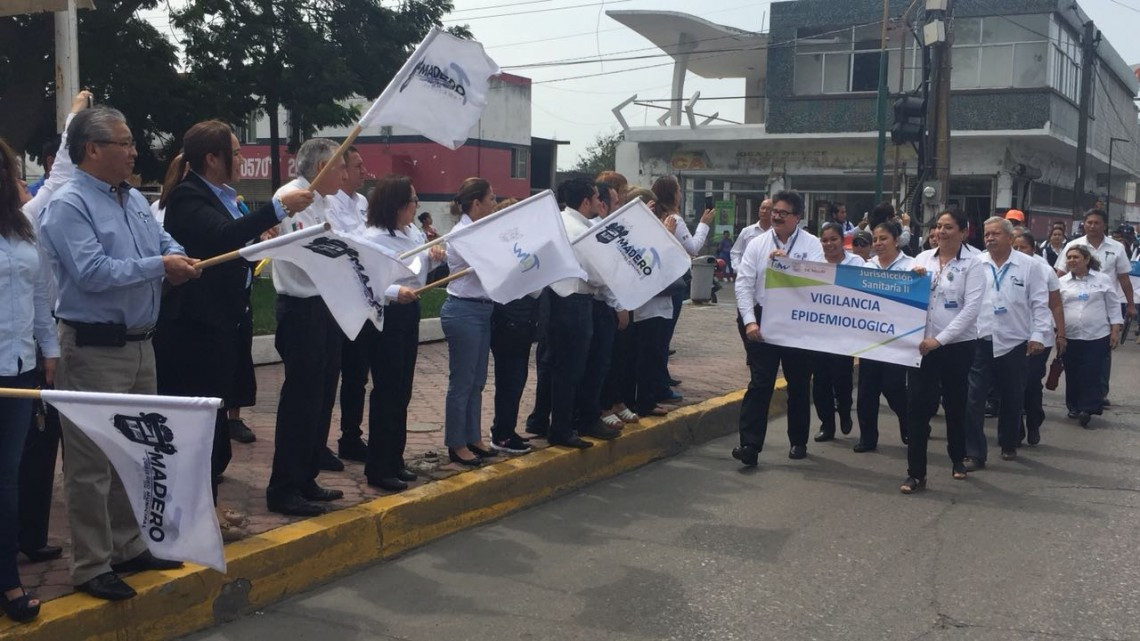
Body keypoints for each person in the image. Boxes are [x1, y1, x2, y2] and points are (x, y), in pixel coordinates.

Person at [39, 106, 199, 601]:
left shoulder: (129, 199)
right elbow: (92, 272)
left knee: (135, 453)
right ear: (92, 149)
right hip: (92, 348)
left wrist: (173, 257)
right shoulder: (69, 204)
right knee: (90, 461)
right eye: (124, 143)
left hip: (139, 344)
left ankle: (129, 546)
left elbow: (162, 238)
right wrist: (159, 265)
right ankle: (91, 564)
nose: (134, 152)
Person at [155, 120, 313, 541]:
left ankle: (207, 506)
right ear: (212, 158)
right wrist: (280, 208)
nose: (242, 159)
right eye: (236, 152)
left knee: (215, 424)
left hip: (225, 322)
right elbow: (223, 240)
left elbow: (239, 248)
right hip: (193, 329)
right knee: (198, 427)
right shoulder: (189, 197)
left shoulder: (224, 197)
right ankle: (193, 514)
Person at [17, 90, 88, 570]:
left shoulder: (26, 222)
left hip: (31, 353)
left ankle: (30, 534)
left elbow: (62, 172)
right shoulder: (28, 218)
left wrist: (75, 120)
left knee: (40, 446)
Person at [265, 138, 348, 516]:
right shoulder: (292, 197)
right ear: (319, 169)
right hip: (301, 308)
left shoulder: (327, 202)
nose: (344, 173)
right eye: (340, 166)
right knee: (300, 400)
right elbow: (306, 254)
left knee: (321, 397)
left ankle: (306, 476)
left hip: (327, 306)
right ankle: (284, 486)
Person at [0, 137, 60, 623]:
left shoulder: (23, 228)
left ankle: (7, 578)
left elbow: (40, 293)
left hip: (20, 366)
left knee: (7, 478)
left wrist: (50, 350)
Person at [359, 174, 442, 490]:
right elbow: (366, 281)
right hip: (387, 315)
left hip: (410, 310)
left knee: (403, 389)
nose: (415, 208)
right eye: (412, 202)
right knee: (388, 390)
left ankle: (395, 457)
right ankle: (379, 467)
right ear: (397, 205)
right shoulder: (372, 238)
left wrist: (434, 258)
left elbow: (417, 272)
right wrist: (395, 292)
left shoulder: (412, 233)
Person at [732, 190, 824, 465]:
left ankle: (798, 440)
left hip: (797, 320)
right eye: (774, 211)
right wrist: (749, 321)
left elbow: (818, 280)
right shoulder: (757, 244)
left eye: (783, 213)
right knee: (761, 383)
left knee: (797, 382)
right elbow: (744, 283)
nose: (776, 216)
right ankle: (749, 446)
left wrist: (789, 266)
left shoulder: (812, 244)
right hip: (763, 317)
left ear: (797, 217)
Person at [900, 210, 985, 494]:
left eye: (948, 227)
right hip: (922, 347)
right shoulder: (922, 259)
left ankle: (957, 457)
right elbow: (903, 294)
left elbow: (970, 310)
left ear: (963, 231)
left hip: (956, 347)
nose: (941, 232)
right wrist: (913, 278)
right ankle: (916, 473)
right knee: (917, 409)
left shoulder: (973, 264)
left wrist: (941, 340)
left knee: (955, 405)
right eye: (938, 226)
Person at [962, 217, 1051, 470]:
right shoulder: (976, 263)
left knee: (1012, 396)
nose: (989, 238)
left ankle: (1009, 442)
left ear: (1010, 238)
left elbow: (1039, 304)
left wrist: (1038, 336)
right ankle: (974, 452)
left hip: (1014, 342)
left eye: (995, 234)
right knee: (974, 398)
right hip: (980, 340)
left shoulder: (1029, 266)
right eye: (987, 234)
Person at [441, 178, 501, 464]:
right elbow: (490, 265)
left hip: (481, 309)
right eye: (491, 199)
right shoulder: (462, 235)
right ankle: (456, 442)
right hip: (463, 310)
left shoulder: (479, 230)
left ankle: (473, 436)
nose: (494, 204)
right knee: (463, 380)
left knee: (477, 380)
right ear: (476, 203)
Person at [1054, 209, 1135, 407]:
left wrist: (1131, 305)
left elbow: (1124, 279)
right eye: (1088, 222)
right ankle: (1081, 400)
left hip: (1104, 305)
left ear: (1104, 225)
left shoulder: (1116, 248)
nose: (1092, 226)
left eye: (1096, 222)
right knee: (1076, 362)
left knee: (1100, 356)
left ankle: (1099, 392)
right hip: (1074, 305)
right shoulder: (1073, 246)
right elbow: (1059, 275)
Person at [853, 222, 913, 453]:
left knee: (893, 386)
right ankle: (868, 438)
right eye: (875, 239)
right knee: (867, 390)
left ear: (896, 240)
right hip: (870, 338)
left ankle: (910, 424)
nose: (878, 243)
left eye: (883, 238)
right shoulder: (866, 266)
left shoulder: (911, 266)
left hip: (898, 339)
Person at [653, 176, 714, 396]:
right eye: (678, 190)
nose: (681, 193)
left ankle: (662, 375)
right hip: (673, 281)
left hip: (658, 281)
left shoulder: (655, 216)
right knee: (664, 334)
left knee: (660, 335)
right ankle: (659, 382)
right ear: (672, 194)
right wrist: (704, 225)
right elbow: (693, 247)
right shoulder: (674, 220)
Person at [487, 197, 538, 454]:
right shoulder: (509, 249)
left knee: (515, 379)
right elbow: (532, 286)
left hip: (519, 320)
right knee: (511, 379)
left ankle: (505, 427)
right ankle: (502, 433)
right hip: (511, 321)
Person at [335, 146, 374, 463]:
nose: (364, 171)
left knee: (357, 374)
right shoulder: (330, 202)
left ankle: (351, 435)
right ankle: (317, 443)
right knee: (327, 376)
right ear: (342, 169)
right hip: (336, 301)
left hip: (362, 300)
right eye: (358, 165)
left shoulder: (363, 203)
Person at [1059, 245, 1122, 427]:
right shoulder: (1062, 282)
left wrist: (1115, 330)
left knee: (1092, 371)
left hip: (1097, 335)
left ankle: (1088, 408)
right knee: (1072, 372)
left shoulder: (1102, 280)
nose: (1072, 260)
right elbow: (1056, 309)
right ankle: (1073, 406)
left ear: (1086, 259)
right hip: (1070, 336)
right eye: (1069, 257)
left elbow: (1113, 305)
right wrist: (1058, 334)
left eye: (1076, 257)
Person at [1012, 230, 1065, 446]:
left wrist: (1061, 334)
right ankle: (1015, 430)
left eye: (1022, 247)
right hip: (1011, 336)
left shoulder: (1044, 270)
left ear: (1033, 249)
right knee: (1012, 385)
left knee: (1031, 383)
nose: (1018, 251)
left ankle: (1034, 421)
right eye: (1014, 247)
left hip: (1039, 337)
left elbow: (1055, 304)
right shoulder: (1003, 266)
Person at [812, 222, 863, 442]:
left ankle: (844, 411)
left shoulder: (857, 263)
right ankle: (826, 424)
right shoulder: (813, 265)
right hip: (819, 333)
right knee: (821, 380)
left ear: (843, 241)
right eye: (824, 240)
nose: (829, 244)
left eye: (833, 239)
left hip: (845, 333)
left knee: (841, 377)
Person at [730, 198, 772, 277]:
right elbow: (735, 252)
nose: (764, 211)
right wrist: (739, 269)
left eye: (768, 209)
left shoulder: (777, 232)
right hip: (748, 276)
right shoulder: (747, 231)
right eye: (762, 208)